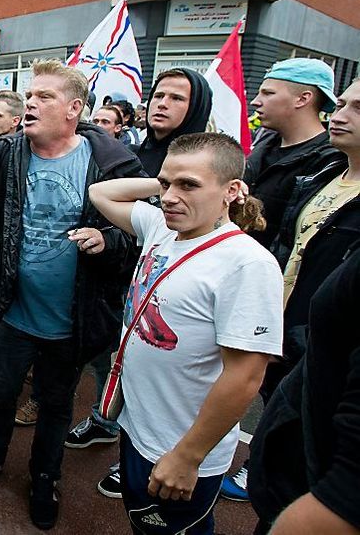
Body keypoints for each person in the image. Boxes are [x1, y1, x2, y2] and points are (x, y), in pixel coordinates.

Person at [0, 60, 144, 530]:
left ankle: (44, 478)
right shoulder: (12, 152)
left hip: (71, 319)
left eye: (44, 96)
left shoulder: (112, 163)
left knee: (56, 406)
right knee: (0, 395)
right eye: (29, 94)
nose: (30, 102)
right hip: (14, 310)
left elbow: (136, 235)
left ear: (75, 108)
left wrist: (105, 241)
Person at [89, 132, 283, 535]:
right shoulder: (162, 226)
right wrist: (163, 181)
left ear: (232, 191)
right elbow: (101, 192)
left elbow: (245, 375)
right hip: (137, 427)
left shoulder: (247, 264)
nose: (170, 197)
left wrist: (188, 457)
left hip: (179, 447)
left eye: (189, 185)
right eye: (166, 184)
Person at [249, 77, 360, 534]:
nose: (341, 113)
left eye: (357, 107)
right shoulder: (328, 173)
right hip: (288, 329)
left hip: (317, 352)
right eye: (344, 102)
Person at [244, 58, 342, 252]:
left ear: (303, 99)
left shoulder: (329, 162)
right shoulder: (262, 147)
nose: (256, 101)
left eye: (268, 93)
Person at [136, 69, 213, 177]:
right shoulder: (126, 155)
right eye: (158, 96)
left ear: (195, 107)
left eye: (176, 98)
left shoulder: (210, 167)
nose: (162, 104)